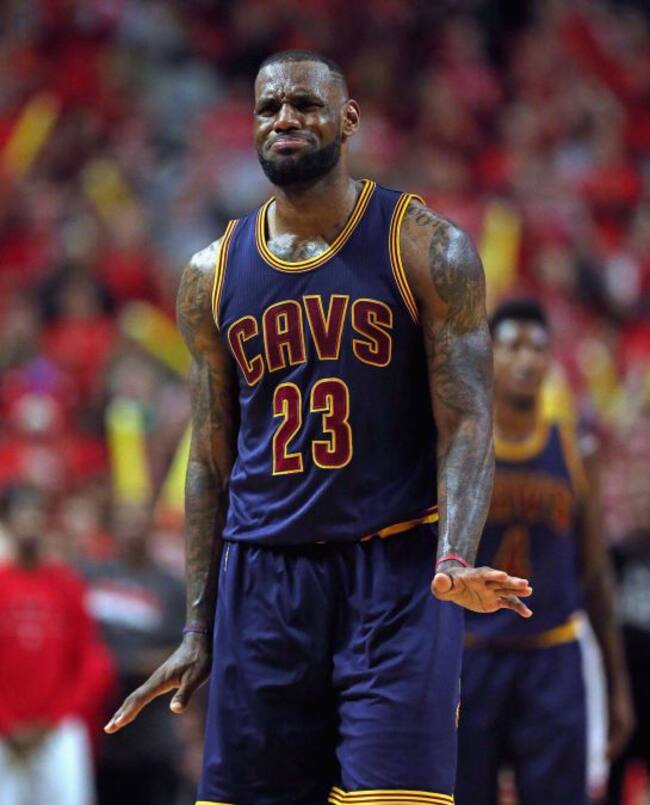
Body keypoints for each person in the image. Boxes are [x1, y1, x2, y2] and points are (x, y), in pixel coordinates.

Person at [105, 50, 532, 805]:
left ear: (348, 119)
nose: (285, 120)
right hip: (265, 578)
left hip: (397, 571)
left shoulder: (424, 246)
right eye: (269, 109)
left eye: (304, 104)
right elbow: (208, 457)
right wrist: (199, 626)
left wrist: (457, 553)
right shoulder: (211, 271)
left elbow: (468, 422)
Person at [455, 298, 634, 805]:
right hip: (475, 656)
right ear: (489, 356)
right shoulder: (463, 450)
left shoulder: (576, 449)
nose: (527, 359)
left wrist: (616, 684)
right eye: (512, 346)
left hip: (551, 656)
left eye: (538, 347)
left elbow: (596, 573)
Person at [0, 485, 114, 805]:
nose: (29, 524)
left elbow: (92, 662)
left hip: (58, 731)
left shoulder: (68, 586)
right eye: (21, 515)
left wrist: (55, 717)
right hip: (5, 735)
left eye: (36, 515)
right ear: (7, 522)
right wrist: (7, 722)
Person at [81, 500, 186, 805]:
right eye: (126, 522)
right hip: (98, 718)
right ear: (113, 527)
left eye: (139, 522)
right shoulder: (89, 575)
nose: (133, 530)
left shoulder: (171, 587)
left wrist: (130, 664)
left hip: (151, 728)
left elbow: (183, 652)